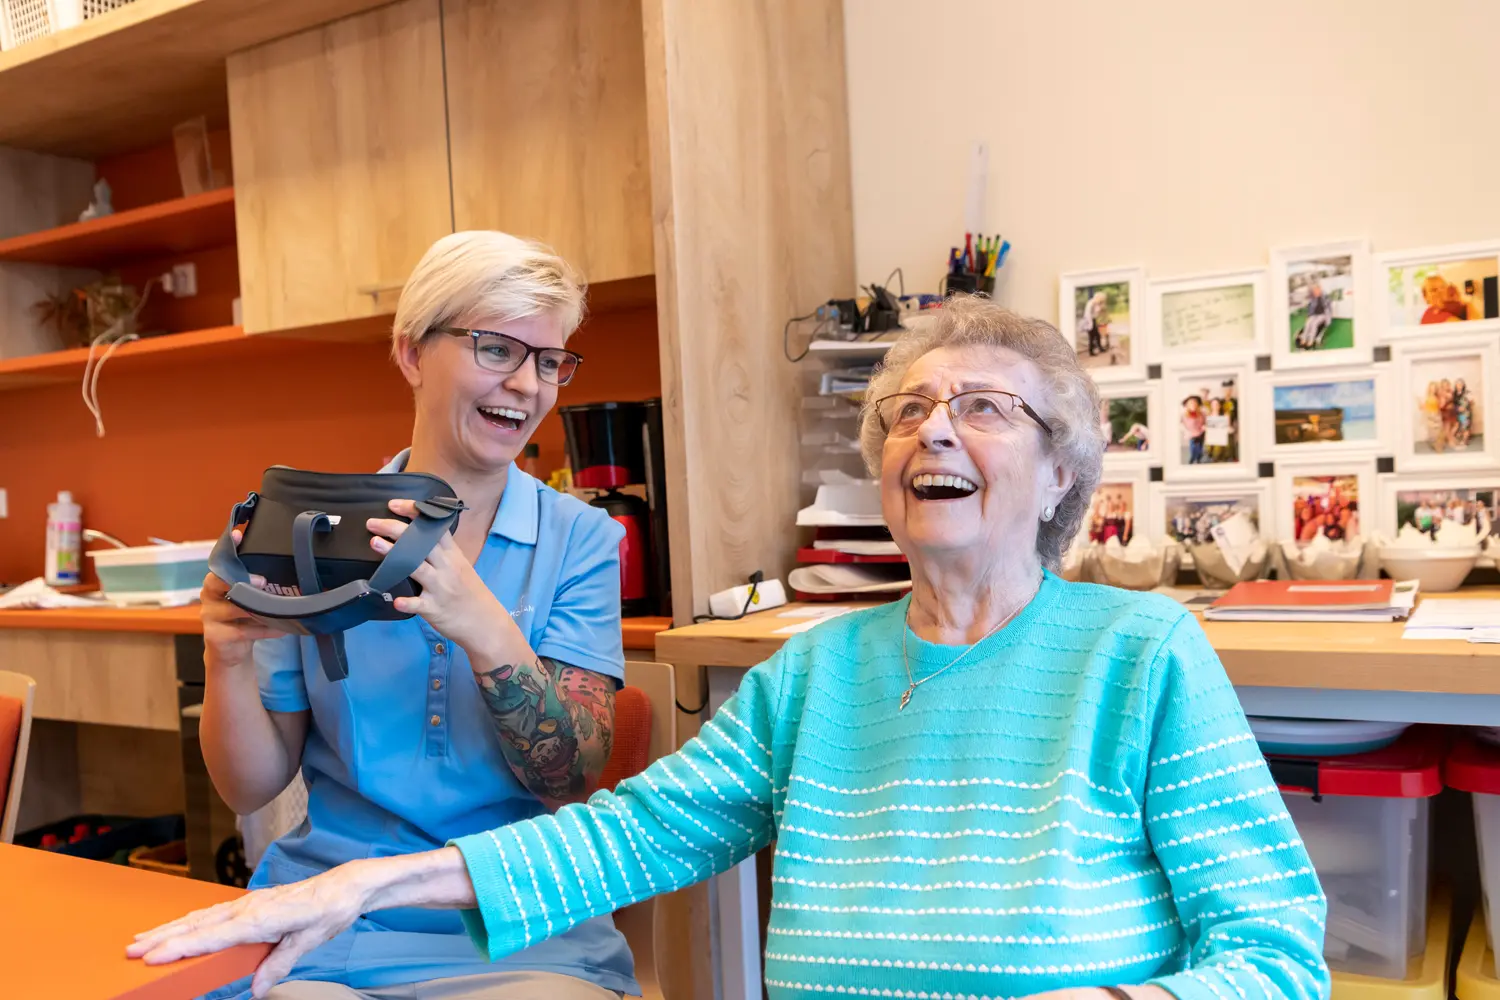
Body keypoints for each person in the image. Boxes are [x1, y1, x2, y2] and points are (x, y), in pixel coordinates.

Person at [133, 297, 1330, 1000]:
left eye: (983, 406)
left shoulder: (1140, 651)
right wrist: (367, 881)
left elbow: (1275, 953)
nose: (932, 429)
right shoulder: (814, 672)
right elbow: (625, 834)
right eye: (907, 410)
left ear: (1061, 469)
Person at [182, 232, 639, 999]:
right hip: (330, 917)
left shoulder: (584, 542)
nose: (528, 384)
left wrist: (482, 623)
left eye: (550, 360)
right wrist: (224, 657)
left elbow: (571, 779)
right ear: (410, 354)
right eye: (496, 349)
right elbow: (249, 788)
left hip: (519, 926)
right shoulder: (315, 530)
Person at [1297, 280, 1332, 349]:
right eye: (1314, 291)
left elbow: (1329, 309)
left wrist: (1328, 320)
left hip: (1322, 315)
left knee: (1314, 324)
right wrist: (1309, 316)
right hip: (1314, 314)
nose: (1315, 292)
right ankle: (1304, 339)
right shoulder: (1313, 298)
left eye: (1316, 291)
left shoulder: (1325, 297)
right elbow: (1311, 308)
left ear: (1320, 290)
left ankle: (1311, 341)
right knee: (1308, 323)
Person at [1082, 289, 1110, 356]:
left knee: (1097, 335)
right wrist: (1090, 324)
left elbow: (1097, 313)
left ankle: (1100, 348)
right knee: (1091, 337)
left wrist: (1100, 306)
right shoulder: (1090, 303)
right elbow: (1087, 314)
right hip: (1088, 321)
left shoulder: (1096, 304)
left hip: (1093, 320)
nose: (1102, 301)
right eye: (1102, 299)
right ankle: (1091, 352)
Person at [1180, 394, 1206, 463]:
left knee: (1200, 448)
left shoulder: (1202, 414)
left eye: (1195, 403)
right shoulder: (1184, 415)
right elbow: (1180, 424)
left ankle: (1198, 459)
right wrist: (1185, 431)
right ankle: (1192, 460)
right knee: (1193, 448)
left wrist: (1204, 426)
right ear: (1187, 405)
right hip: (1191, 435)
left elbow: (1205, 422)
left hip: (1201, 433)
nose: (1193, 405)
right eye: (1191, 403)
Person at [1203, 397, 1230, 462]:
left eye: (1217, 404)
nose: (1215, 406)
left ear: (1220, 405)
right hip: (1211, 437)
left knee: (1217, 453)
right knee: (1209, 452)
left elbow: (1228, 427)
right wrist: (1205, 427)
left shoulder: (1225, 414)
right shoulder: (1208, 415)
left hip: (1220, 438)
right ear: (1211, 406)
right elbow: (1206, 426)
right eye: (1213, 404)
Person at [1422, 382, 1445, 452]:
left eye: (1434, 388)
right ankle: (1436, 445)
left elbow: (1440, 406)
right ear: (1429, 388)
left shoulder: (1437, 397)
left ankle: (1438, 445)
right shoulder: (1427, 397)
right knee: (1433, 432)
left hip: (1437, 414)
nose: (1433, 389)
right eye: (1432, 387)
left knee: (1439, 432)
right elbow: (1425, 408)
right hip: (1431, 416)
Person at [1454, 378, 1474, 448]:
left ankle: (1465, 441)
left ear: (1463, 385)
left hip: (1466, 413)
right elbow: (1453, 404)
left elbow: (1472, 402)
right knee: (1461, 427)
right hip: (1459, 414)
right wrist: (1457, 408)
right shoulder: (1454, 394)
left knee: (1465, 427)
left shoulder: (1467, 392)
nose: (1459, 385)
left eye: (1461, 384)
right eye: (1458, 384)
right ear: (1456, 385)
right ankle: (1462, 439)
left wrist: (1466, 408)